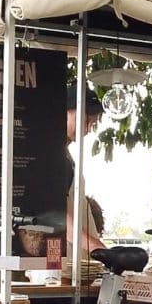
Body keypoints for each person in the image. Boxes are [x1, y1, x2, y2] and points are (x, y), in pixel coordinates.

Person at [63, 90, 106, 254]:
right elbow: (54, 215)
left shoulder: (67, 157)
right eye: (85, 120)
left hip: (78, 261)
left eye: (92, 124)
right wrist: (96, 248)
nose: (88, 129)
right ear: (66, 112)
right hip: (59, 264)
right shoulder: (48, 156)